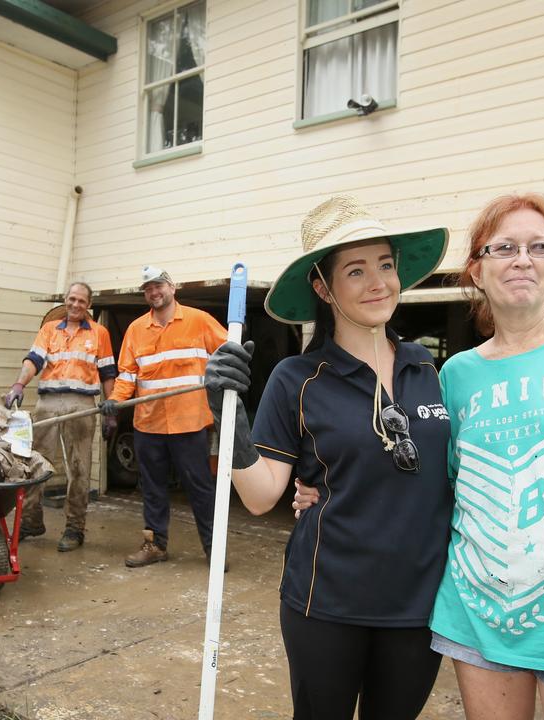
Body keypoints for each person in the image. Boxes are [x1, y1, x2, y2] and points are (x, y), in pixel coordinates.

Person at [295, 193, 544, 717]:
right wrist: (320, 492)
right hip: (481, 622)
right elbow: (432, 483)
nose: (522, 259)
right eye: (504, 247)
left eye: (540, 247)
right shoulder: (454, 377)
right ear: (476, 270)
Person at [203, 195, 453, 718]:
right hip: (326, 601)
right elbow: (261, 495)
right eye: (356, 271)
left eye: (386, 265)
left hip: (420, 605)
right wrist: (231, 420)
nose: (378, 282)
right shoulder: (296, 378)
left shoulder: (428, 369)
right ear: (323, 287)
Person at [100, 265, 226, 568]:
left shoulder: (199, 321)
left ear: (172, 287)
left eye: (159, 286)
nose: (154, 292)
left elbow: (227, 354)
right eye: (148, 289)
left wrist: (225, 379)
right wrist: (115, 401)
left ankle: (214, 550)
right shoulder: (136, 329)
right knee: (153, 489)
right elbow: (128, 374)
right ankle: (155, 545)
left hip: (190, 422)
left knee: (200, 489)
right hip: (149, 424)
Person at [4, 281, 117, 552]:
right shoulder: (49, 330)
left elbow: (108, 373)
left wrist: (113, 406)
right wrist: (19, 383)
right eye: (72, 299)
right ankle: (31, 520)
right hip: (48, 403)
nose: (76, 304)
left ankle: (74, 528)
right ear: (65, 301)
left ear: (88, 305)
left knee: (79, 468)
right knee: (36, 463)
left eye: (81, 301)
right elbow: (33, 360)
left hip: (82, 406)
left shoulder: (100, 333)